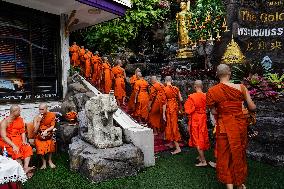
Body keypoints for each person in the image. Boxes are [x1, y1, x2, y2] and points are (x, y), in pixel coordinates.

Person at [206, 64, 256, 189]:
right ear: (229, 73)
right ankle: (238, 184)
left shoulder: (212, 91)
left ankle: (229, 186)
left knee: (225, 155)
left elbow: (214, 112)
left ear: (217, 74)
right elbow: (252, 107)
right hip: (239, 125)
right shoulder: (241, 87)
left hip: (224, 126)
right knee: (238, 152)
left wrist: (224, 110)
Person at [0, 105, 34, 177]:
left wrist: (24, 141)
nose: (20, 112)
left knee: (27, 148)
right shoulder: (4, 122)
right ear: (14, 112)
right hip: (7, 142)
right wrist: (14, 145)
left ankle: (25, 167)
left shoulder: (20, 119)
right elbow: (3, 137)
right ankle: (22, 172)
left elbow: (23, 132)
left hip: (18, 140)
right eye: (19, 110)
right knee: (16, 151)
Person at [184, 80, 210, 167]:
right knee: (202, 136)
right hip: (203, 118)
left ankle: (203, 161)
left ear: (195, 87)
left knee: (197, 139)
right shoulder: (206, 96)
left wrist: (193, 108)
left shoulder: (192, 97)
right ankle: (200, 156)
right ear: (202, 87)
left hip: (196, 119)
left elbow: (188, 111)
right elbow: (208, 108)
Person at [163, 76, 183, 155]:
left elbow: (164, 103)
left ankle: (178, 148)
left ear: (165, 81)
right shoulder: (176, 88)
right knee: (171, 125)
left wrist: (163, 114)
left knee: (172, 126)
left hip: (169, 108)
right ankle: (172, 143)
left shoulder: (164, 89)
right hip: (175, 107)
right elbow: (181, 99)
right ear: (171, 81)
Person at [33, 103, 56, 169]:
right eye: (39, 109)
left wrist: (46, 131)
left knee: (50, 143)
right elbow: (35, 130)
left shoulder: (51, 115)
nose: (41, 111)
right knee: (39, 144)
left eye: (42, 109)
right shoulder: (36, 117)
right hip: (39, 135)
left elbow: (52, 126)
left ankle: (49, 160)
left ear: (46, 109)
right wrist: (39, 121)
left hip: (48, 133)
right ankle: (44, 162)